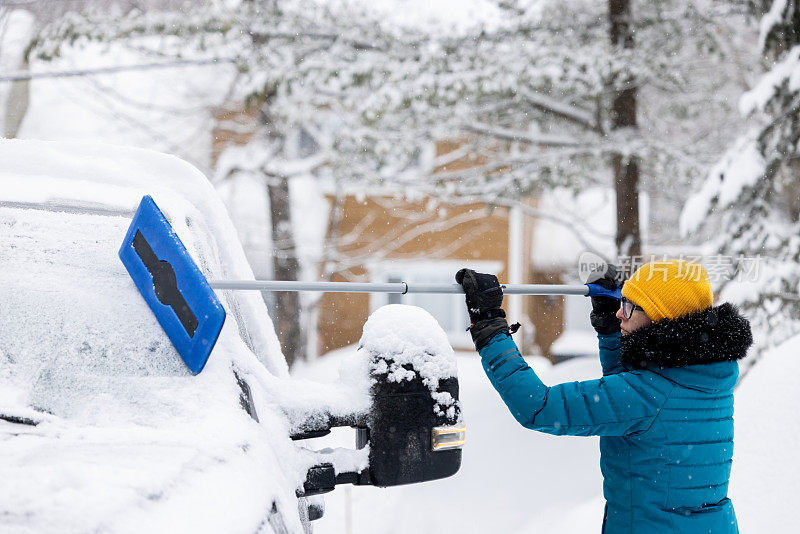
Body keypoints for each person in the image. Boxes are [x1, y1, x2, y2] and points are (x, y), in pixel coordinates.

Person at [455, 260, 752, 534]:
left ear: (660, 318)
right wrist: (611, 329)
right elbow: (633, 394)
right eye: (622, 302)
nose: (621, 312)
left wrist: (490, 328)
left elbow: (538, 406)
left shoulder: (647, 396)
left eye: (630, 306)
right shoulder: (706, 377)